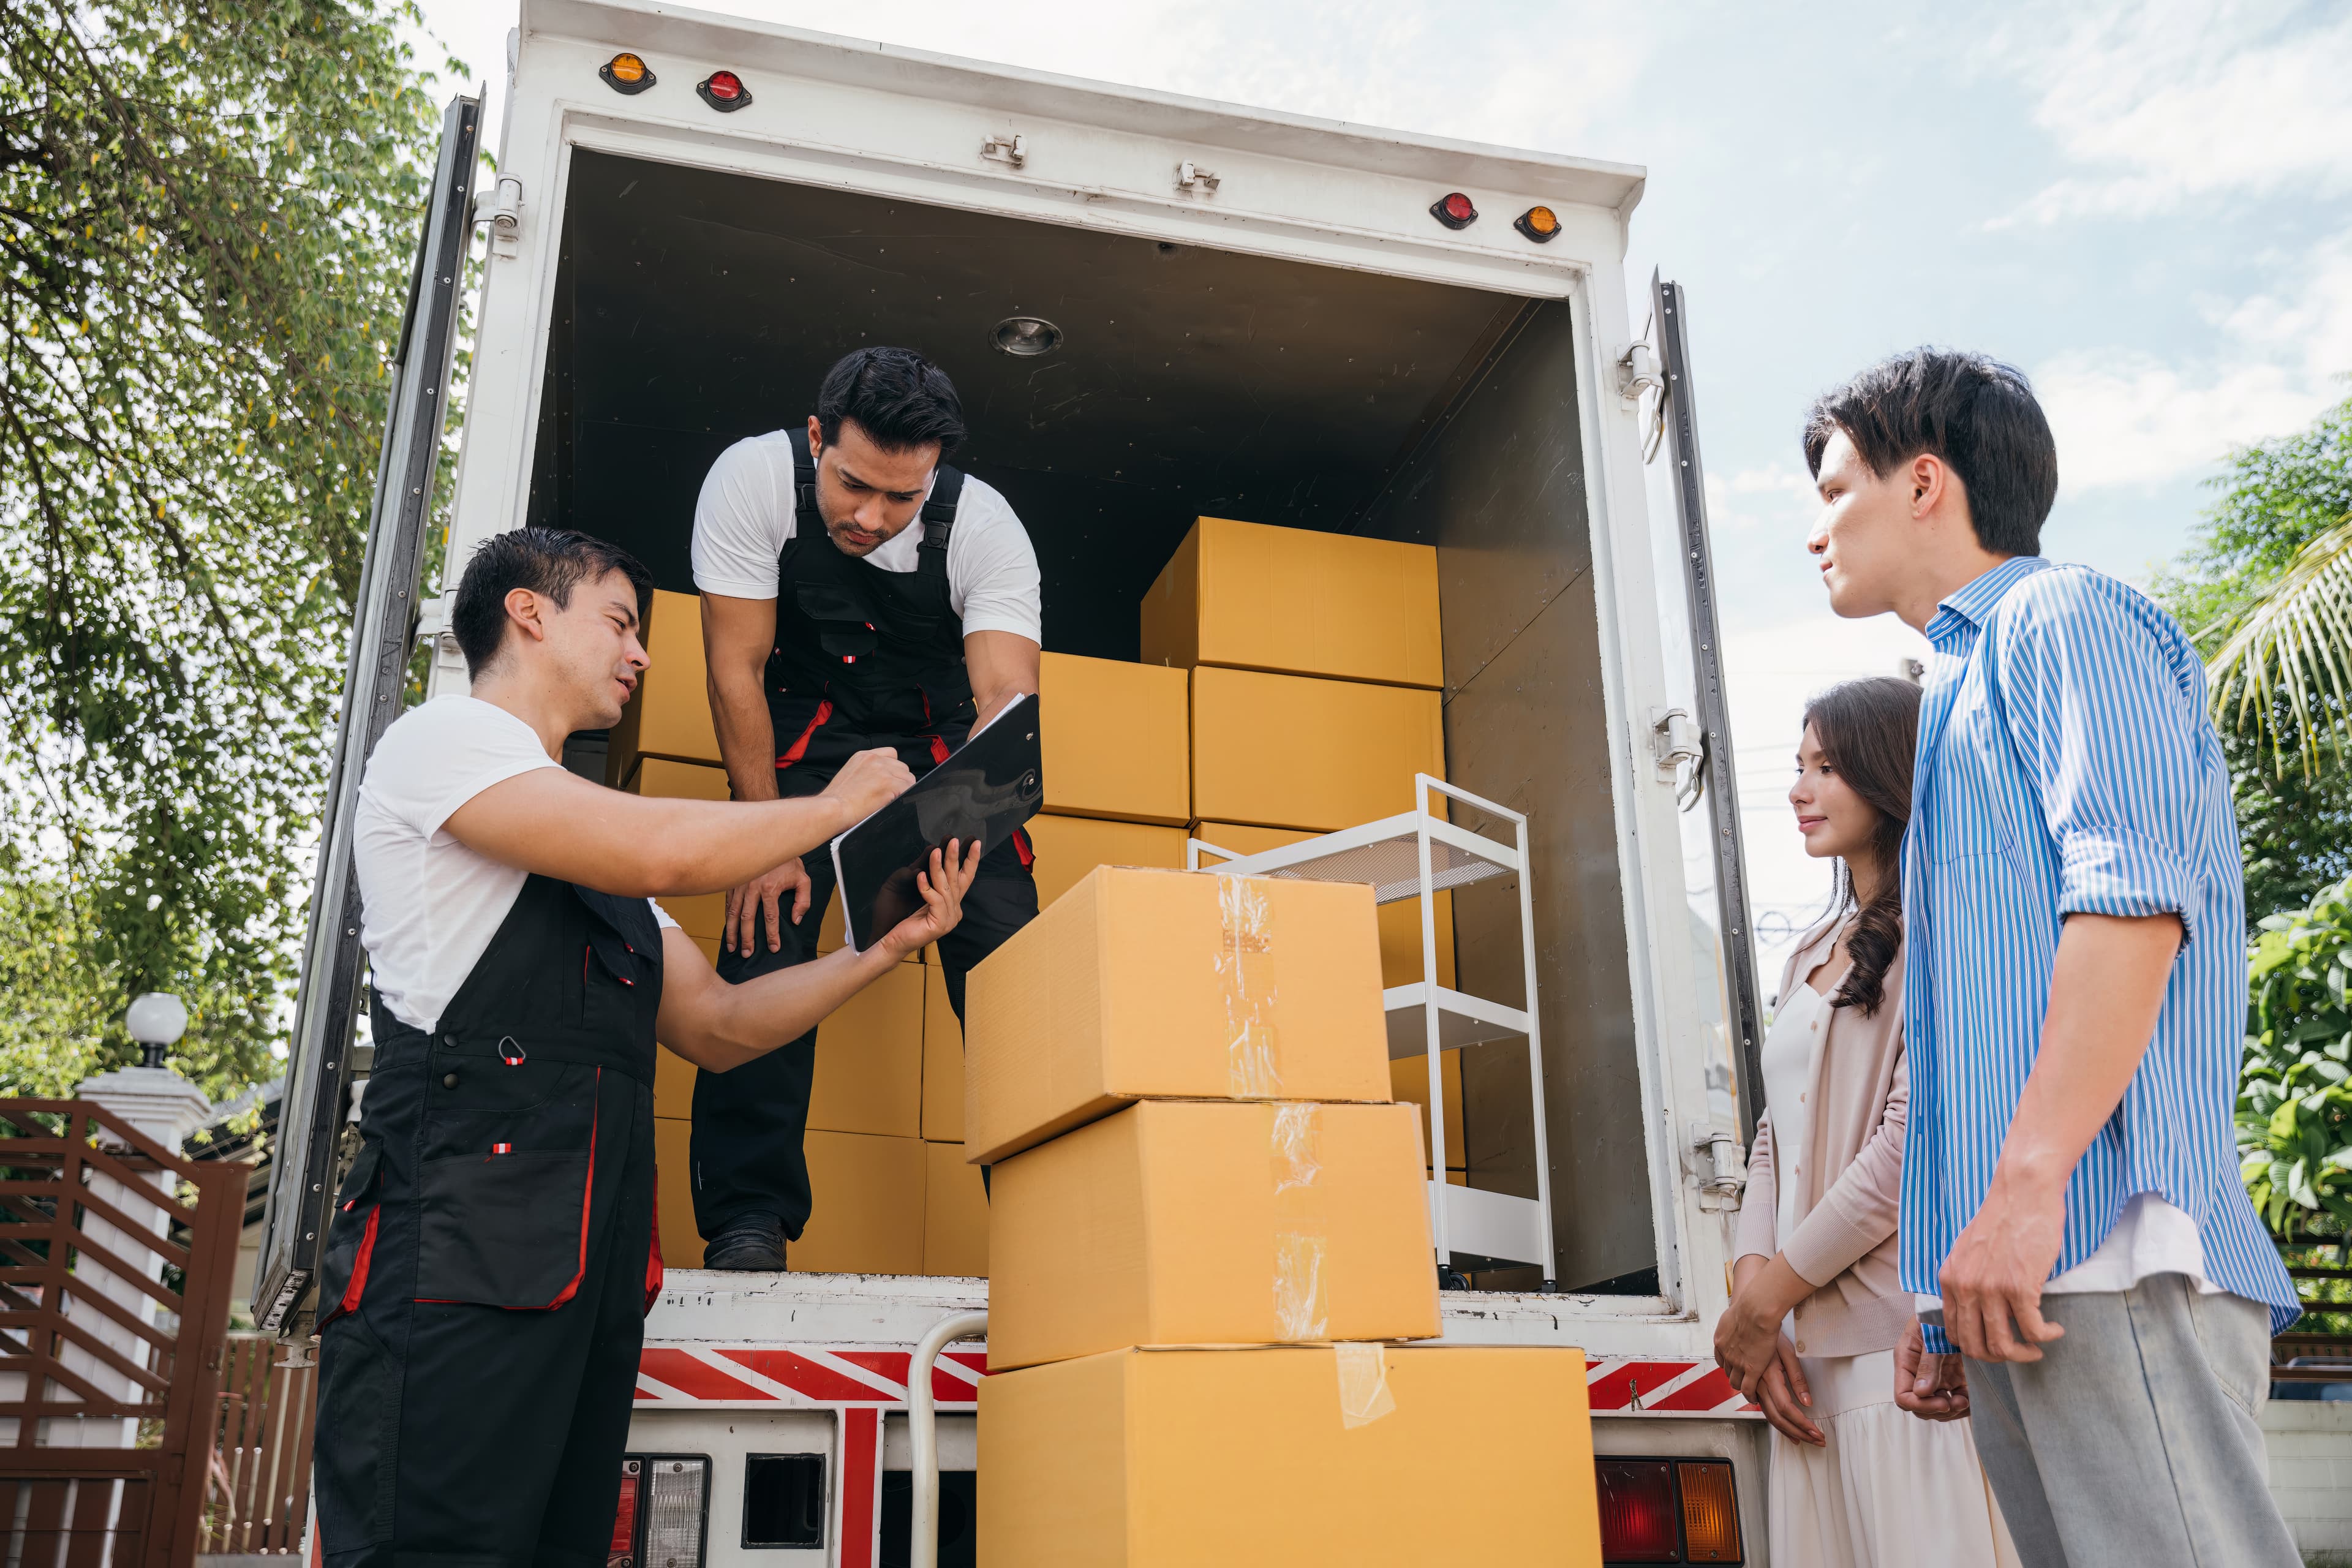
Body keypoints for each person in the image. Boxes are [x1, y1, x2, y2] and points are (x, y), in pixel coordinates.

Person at [312, 527, 983, 1564]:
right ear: (529, 613)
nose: (642, 654)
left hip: (581, 1288)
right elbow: (666, 852)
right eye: (621, 622)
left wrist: (882, 949)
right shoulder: (441, 743)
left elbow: (718, 1026)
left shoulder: (590, 842)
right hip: (449, 1273)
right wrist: (835, 805)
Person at [1802, 349, 2302, 1568]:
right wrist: (1942, 1285)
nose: (1817, 530)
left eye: (1834, 489)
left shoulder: (2061, 617)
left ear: (1926, 482)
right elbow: (1980, 1013)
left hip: (2106, 1239)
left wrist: (2024, 1201)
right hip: (2022, 1274)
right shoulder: (1963, 684)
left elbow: (2133, 904)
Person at [688, 345, 1042, 1268]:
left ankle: (1049, 1217)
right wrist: (763, 839)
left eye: (902, 497)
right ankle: (746, 1221)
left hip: (939, 756)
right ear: (816, 439)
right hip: (800, 743)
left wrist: (967, 826)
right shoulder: (753, 481)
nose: (872, 516)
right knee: (765, 927)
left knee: (1014, 962)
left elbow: (1005, 696)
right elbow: (735, 672)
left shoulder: (986, 526)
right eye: (853, 487)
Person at [1713, 677, 2017, 1566]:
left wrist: (1766, 1303)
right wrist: (1753, 1302)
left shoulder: (1947, 928)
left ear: (1889, 778)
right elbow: (1771, 1142)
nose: (1800, 790)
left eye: (1829, 767)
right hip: (1800, 1364)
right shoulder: (1808, 951)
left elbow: (1908, 1148)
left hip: (1903, 1354)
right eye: (1801, 766)